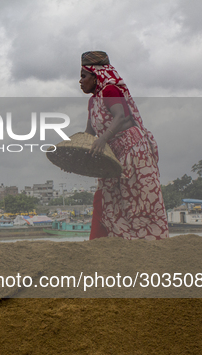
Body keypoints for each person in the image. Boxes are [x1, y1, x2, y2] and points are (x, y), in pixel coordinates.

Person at [79, 51, 169, 240]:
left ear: (96, 76)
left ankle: (150, 244)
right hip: (113, 156)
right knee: (108, 199)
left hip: (134, 151)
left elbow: (120, 116)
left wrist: (103, 139)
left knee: (138, 200)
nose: (80, 81)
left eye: (83, 76)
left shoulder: (110, 91)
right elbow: (89, 133)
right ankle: (110, 241)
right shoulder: (92, 102)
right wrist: (78, 150)